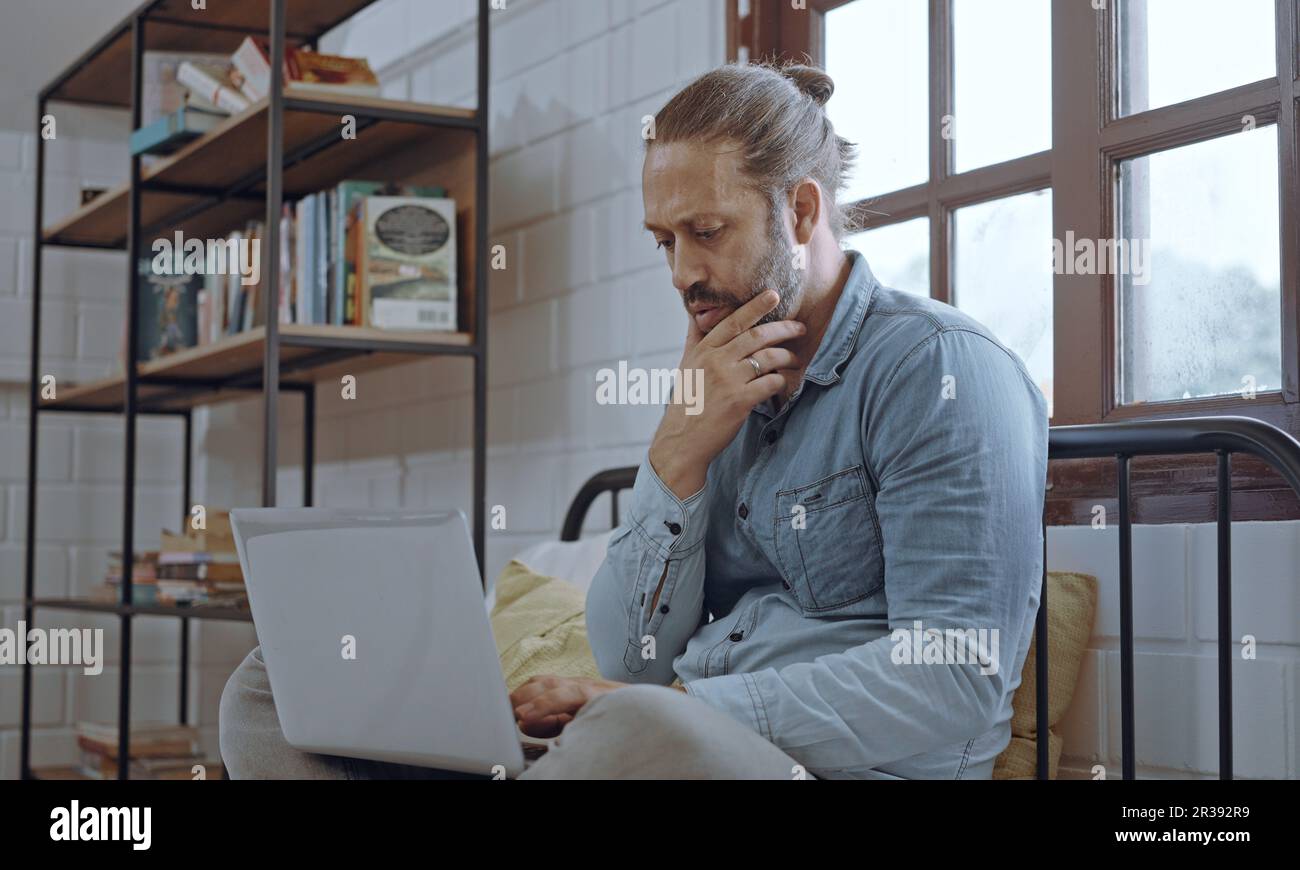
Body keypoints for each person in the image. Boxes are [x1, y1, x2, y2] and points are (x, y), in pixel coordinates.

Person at [219, 62, 1048, 780]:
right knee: (272, 686)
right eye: (664, 241)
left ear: (799, 213)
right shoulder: (717, 378)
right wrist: (677, 451)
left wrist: (687, 706)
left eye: (707, 232)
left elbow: (958, 675)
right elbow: (629, 658)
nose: (685, 272)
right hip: (656, 744)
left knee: (635, 726)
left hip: (822, 765)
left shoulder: (940, 371)